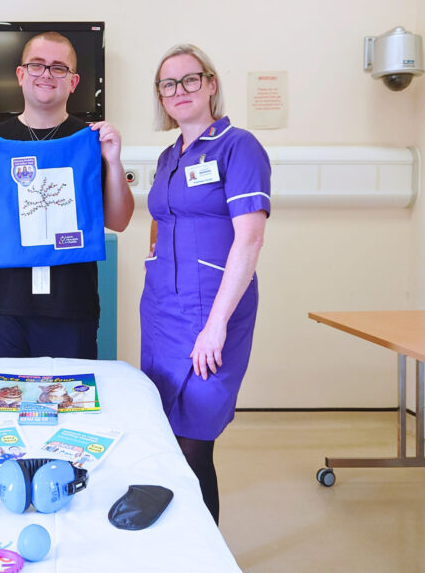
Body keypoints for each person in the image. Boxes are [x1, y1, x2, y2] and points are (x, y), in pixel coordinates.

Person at [139, 45, 270, 525]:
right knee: (165, 434)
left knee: (195, 442)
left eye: (190, 79)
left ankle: (203, 554)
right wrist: (154, 259)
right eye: (168, 84)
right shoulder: (168, 154)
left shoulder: (239, 147)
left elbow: (250, 239)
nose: (179, 91)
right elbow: (161, 218)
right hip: (161, 312)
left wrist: (215, 326)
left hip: (212, 312)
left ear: (211, 83)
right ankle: (168, 545)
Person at [0, 31, 134, 359]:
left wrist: (114, 161)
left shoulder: (90, 140)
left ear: (74, 81)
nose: (47, 74)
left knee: (69, 407)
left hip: (70, 305)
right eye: (37, 65)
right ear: (21, 75)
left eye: (58, 67)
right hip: (0, 305)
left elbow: (119, 221)